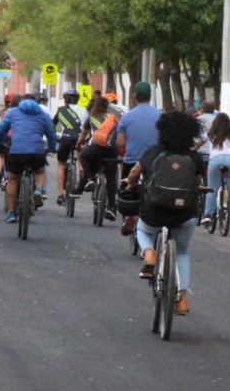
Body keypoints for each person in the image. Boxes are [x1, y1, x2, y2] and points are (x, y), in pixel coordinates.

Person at [122, 111, 205, 315]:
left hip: (154, 211)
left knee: (142, 230)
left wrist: (130, 183)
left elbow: (134, 173)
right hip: (185, 214)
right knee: (183, 253)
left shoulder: (152, 152)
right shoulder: (194, 157)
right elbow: (196, 184)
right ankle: (181, 298)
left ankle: (149, 253)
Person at [0, 94, 58, 223]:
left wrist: (0, 145)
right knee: (39, 171)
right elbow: (52, 135)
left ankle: (11, 213)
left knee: (12, 180)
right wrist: (51, 148)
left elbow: (0, 130)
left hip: (16, 150)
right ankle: (38, 190)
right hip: (36, 150)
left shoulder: (12, 113)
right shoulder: (43, 115)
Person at [116, 81, 161, 235]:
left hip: (132, 161)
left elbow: (120, 142)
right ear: (150, 96)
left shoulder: (126, 117)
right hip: (156, 162)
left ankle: (128, 215)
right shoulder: (160, 116)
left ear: (134, 96)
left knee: (127, 187)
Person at [74, 96, 119, 221]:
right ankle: (111, 207)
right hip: (110, 150)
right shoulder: (113, 119)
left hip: (94, 148)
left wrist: (78, 146)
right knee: (111, 179)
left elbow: (83, 135)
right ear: (107, 107)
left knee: (84, 156)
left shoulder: (91, 118)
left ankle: (90, 178)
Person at [200, 112, 230, 226]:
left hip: (215, 160)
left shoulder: (210, 133)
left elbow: (199, 143)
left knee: (212, 187)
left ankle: (208, 215)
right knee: (229, 175)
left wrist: (193, 148)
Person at [51, 88, 87, 206]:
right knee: (80, 154)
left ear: (65, 99)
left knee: (61, 163)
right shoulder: (84, 110)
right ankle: (81, 173)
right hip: (79, 140)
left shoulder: (61, 110)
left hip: (65, 140)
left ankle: (60, 194)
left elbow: (53, 124)